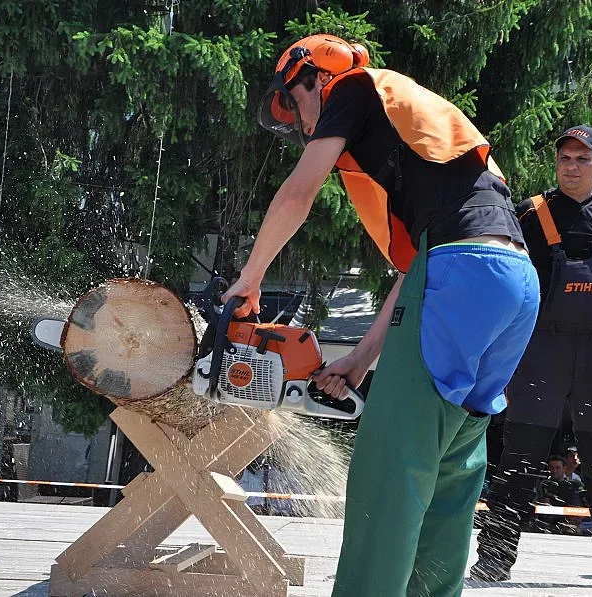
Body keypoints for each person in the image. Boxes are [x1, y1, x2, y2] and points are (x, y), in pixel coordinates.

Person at [224, 34, 539, 597]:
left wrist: (249, 280)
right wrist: (362, 358)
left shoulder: (349, 90)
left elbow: (299, 192)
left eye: (295, 103)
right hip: (515, 282)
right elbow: (417, 268)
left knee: (389, 466)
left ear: (315, 77)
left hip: (459, 270)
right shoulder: (412, 126)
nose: (302, 124)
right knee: (451, 469)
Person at [471, 126, 592, 591]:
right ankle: (494, 561)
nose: (572, 166)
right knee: (520, 459)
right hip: (540, 349)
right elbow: (507, 273)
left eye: (582, 158)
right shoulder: (531, 213)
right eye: (565, 157)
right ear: (557, 162)